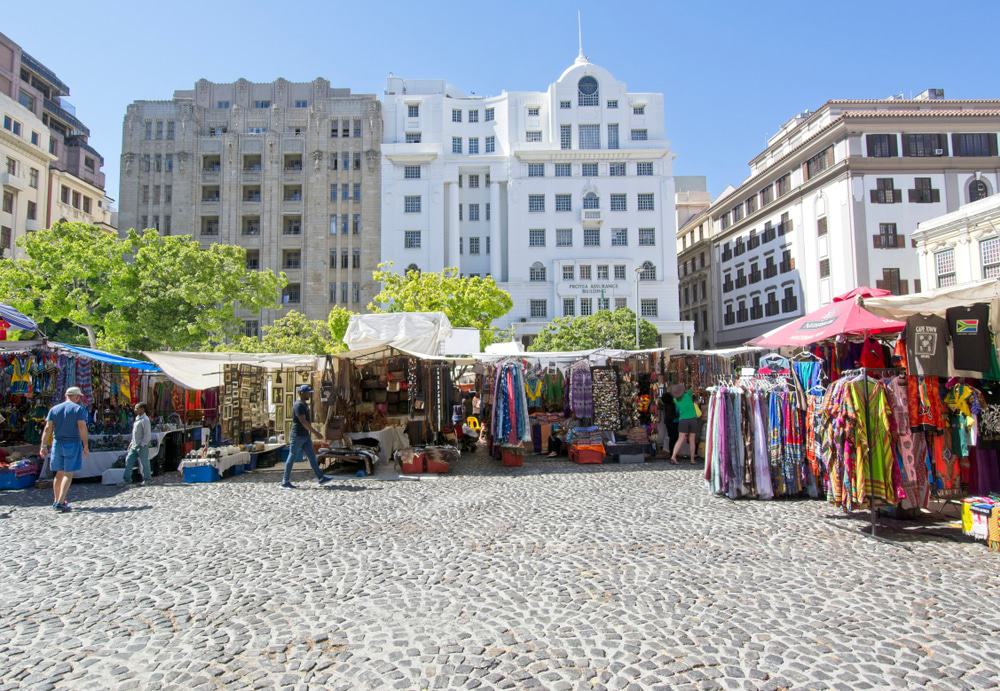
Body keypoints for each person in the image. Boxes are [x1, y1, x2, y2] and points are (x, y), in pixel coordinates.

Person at [40, 386, 89, 513]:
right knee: (68, 473)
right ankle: (61, 502)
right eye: (79, 397)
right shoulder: (78, 409)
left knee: (59, 473)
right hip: (72, 443)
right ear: (76, 397)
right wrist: (86, 445)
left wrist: (43, 445)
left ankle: (57, 500)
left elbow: (47, 429)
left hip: (57, 443)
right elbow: (82, 428)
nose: (79, 399)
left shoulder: (54, 409)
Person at [281, 385, 334, 489]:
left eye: (310, 392)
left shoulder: (304, 404)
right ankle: (285, 481)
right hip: (297, 436)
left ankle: (321, 477)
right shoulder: (298, 405)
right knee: (292, 456)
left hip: (305, 436)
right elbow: (303, 421)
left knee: (312, 457)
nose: (309, 394)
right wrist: (316, 433)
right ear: (301, 393)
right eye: (307, 392)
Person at [120, 402, 152, 486]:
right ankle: (127, 479)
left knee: (144, 463)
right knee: (129, 461)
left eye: (136, 408)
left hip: (142, 446)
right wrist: (131, 443)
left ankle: (147, 479)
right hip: (134, 445)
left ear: (142, 409)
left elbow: (147, 434)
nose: (135, 410)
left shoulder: (145, 419)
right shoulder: (137, 418)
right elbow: (135, 433)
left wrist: (142, 444)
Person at [670, 384, 700, 465]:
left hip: (683, 420)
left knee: (680, 439)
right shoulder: (687, 395)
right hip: (692, 419)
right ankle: (692, 460)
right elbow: (693, 388)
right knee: (692, 440)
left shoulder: (675, 400)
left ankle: (673, 456)